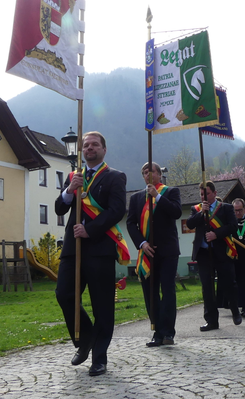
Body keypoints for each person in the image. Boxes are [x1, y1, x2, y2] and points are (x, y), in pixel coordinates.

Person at [55, 131, 128, 375]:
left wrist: (90, 229)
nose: (89, 148)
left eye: (94, 145)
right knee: (64, 295)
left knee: (102, 305)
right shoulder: (74, 177)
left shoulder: (115, 177)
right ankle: (85, 339)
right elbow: (59, 207)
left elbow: (117, 209)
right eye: (85, 145)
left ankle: (99, 357)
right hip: (72, 248)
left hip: (99, 248)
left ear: (104, 149)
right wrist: (69, 191)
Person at [126, 162, 181, 347]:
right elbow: (130, 223)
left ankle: (168, 333)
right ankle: (157, 332)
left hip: (167, 251)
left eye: (150, 171)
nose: (146, 174)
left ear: (159, 174)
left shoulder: (171, 192)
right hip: (147, 252)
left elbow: (176, 212)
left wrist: (157, 196)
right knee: (151, 294)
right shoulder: (136, 198)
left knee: (167, 291)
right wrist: (142, 243)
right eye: (144, 172)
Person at [186, 181, 241, 330]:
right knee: (207, 288)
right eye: (202, 194)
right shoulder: (196, 209)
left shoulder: (226, 208)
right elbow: (190, 224)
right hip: (204, 254)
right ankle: (211, 321)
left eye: (207, 193)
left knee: (229, 284)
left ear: (215, 194)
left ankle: (235, 311)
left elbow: (233, 226)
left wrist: (216, 234)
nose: (204, 196)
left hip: (222, 253)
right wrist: (200, 213)